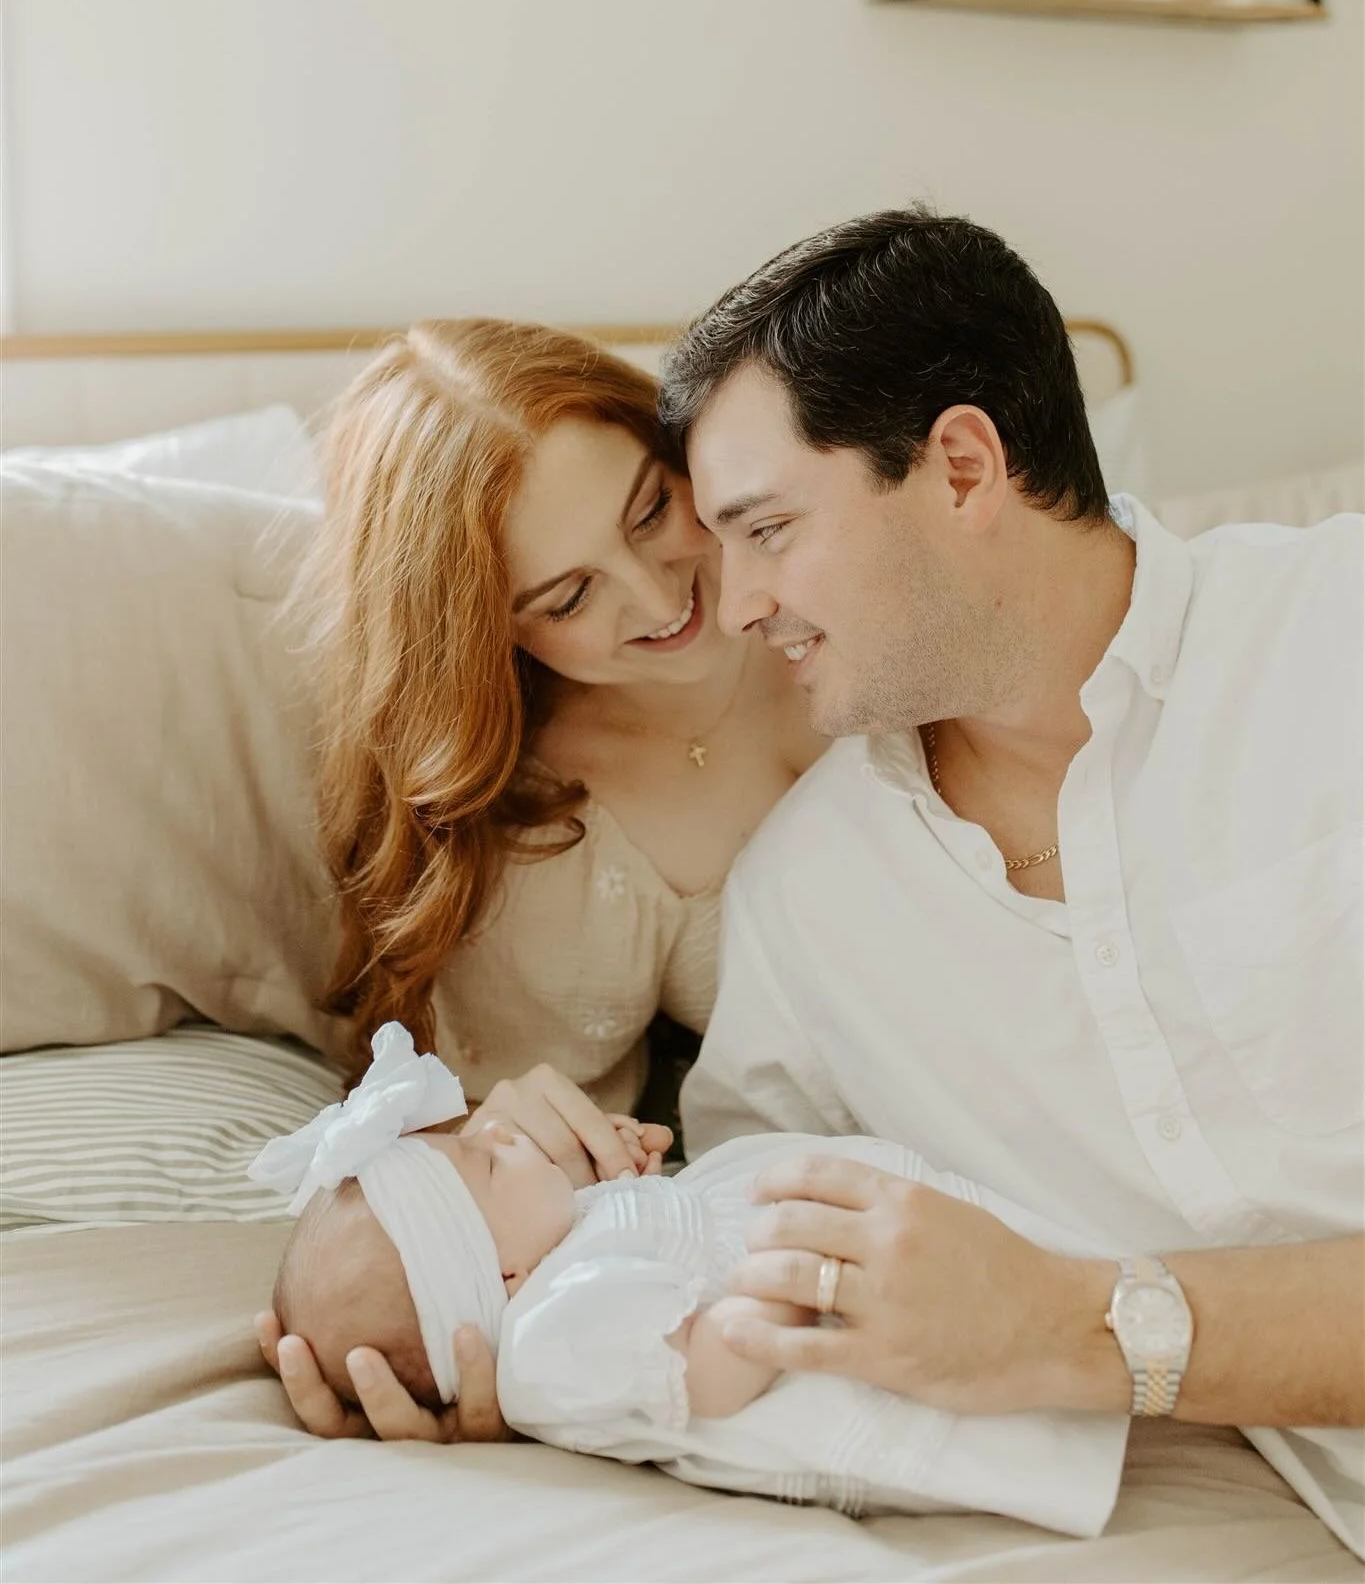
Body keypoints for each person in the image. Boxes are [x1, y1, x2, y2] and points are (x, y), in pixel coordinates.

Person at [657, 206, 1365, 1557]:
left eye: (767, 531)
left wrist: (1079, 1320)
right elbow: (726, 1274)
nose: (739, 605)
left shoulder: (1339, 639)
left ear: (964, 467)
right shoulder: (804, 916)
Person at [254, 318, 824, 1441]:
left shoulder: (847, 562)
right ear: (488, 632)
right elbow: (534, 1213)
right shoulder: (539, 845)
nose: (658, 600)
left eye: (653, 511)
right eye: (566, 598)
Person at [252, 1023, 1132, 1537]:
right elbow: (710, 1373)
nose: (499, 1132)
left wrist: (621, 1188)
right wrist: (792, 1270)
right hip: (811, 1353)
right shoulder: (550, 1340)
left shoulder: (557, 1251)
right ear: (505, 1273)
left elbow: (645, 1249)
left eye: (475, 1138)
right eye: (487, 1169)